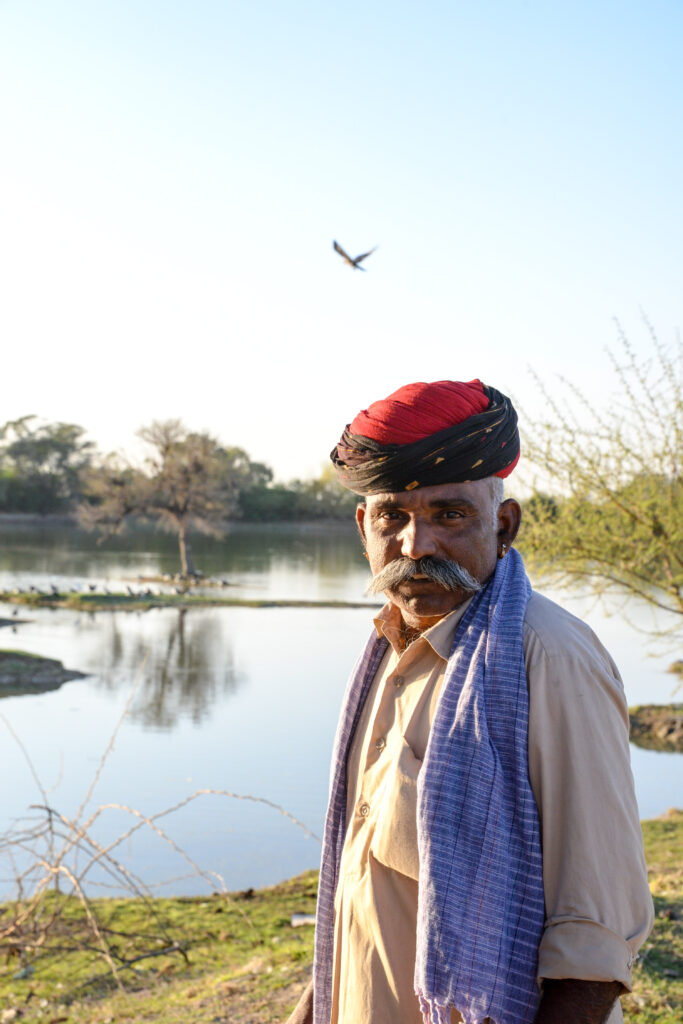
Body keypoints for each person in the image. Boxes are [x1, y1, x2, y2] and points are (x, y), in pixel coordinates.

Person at [287, 379, 653, 1024]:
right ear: (361, 526)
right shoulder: (388, 650)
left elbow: (592, 944)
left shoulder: (548, 655)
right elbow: (362, 892)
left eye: (450, 515)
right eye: (391, 516)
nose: (415, 545)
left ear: (503, 524)